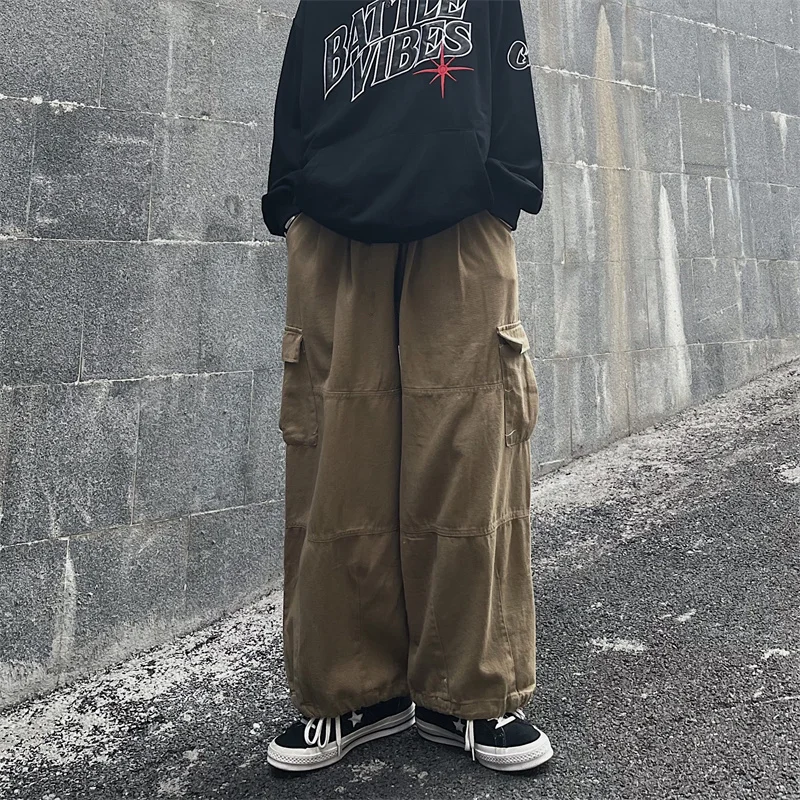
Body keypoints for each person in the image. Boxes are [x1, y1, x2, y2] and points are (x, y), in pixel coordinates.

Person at [261, 0, 551, 773]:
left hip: (462, 224)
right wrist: (291, 198)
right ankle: (354, 692)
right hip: (334, 230)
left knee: (470, 455)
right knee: (336, 467)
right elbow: (298, 89)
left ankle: (471, 694)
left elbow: (508, 75)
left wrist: (504, 187)